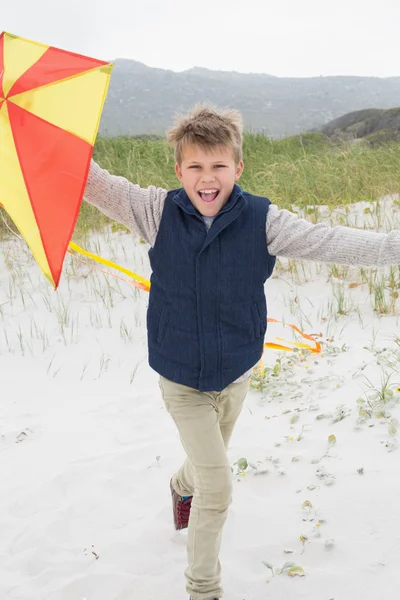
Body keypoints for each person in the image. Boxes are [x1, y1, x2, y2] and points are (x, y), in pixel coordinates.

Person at [83, 105, 400, 600]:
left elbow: (328, 240)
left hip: (236, 372)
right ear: (178, 169)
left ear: (238, 167)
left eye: (218, 167)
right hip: (181, 377)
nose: (207, 179)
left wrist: (391, 246)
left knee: (207, 463)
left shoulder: (263, 220)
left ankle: (179, 484)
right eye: (195, 167)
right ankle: (202, 589)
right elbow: (91, 180)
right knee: (219, 486)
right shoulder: (153, 210)